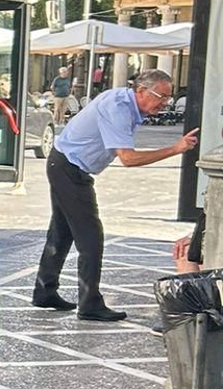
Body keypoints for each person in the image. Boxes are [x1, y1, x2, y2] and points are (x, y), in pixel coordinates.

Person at [34, 71, 197, 323]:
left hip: (66, 164)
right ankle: (89, 304)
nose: (165, 102)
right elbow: (129, 159)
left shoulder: (128, 105)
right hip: (69, 167)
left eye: (168, 97)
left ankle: (44, 292)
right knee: (91, 237)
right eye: (161, 96)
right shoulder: (119, 108)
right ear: (142, 91)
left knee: (62, 231)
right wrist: (175, 148)